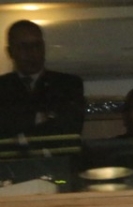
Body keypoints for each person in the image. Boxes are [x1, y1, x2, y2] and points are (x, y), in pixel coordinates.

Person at [0, 20, 85, 158]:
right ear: (10, 52)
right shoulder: (3, 87)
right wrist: (41, 117)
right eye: (24, 47)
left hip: (58, 161)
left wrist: (19, 128)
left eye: (37, 45)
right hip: (10, 163)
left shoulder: (67, 84)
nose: (32, 52)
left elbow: (69, 128)